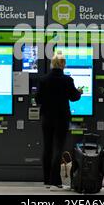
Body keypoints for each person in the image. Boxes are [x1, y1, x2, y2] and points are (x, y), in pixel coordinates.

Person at [35, 51, 83, 191]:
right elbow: (74, 97)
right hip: (62, 118)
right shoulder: (68, 80)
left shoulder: (43, 79)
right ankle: (56, 180)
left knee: (47, 147)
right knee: (58, 148)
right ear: (63, 64)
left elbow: (38, 99)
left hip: (47, 117)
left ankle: (46, 180)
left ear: (52, 63)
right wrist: (79, 92)